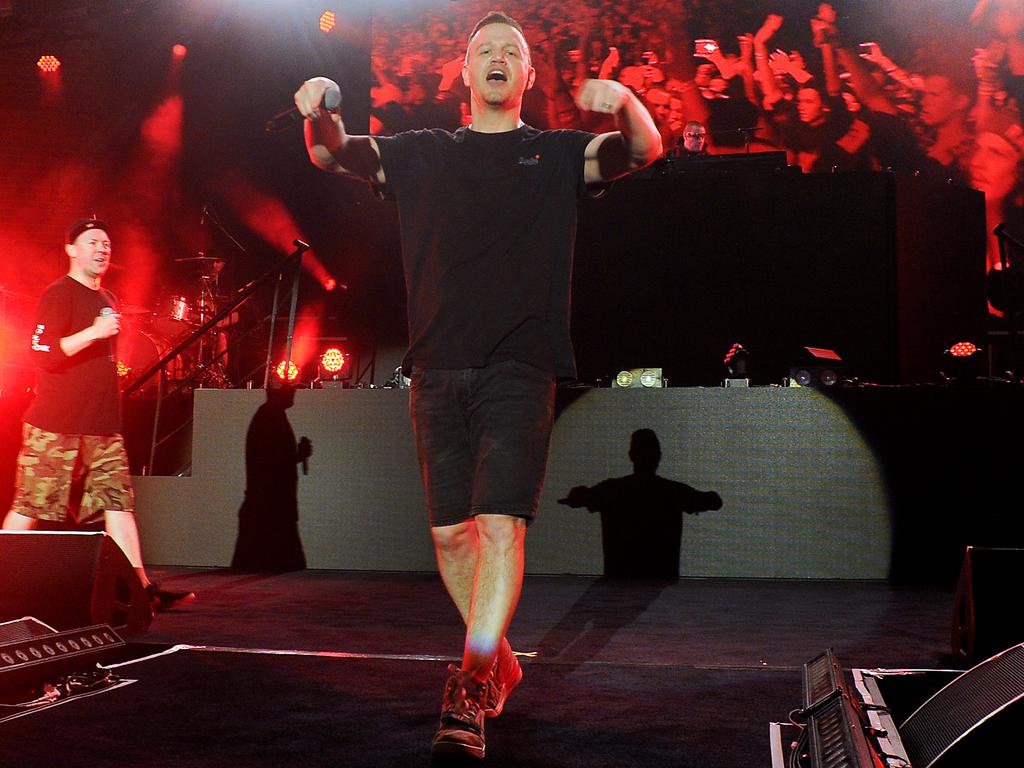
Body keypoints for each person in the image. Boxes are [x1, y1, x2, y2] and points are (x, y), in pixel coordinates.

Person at [295, 9, 661, 761]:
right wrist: (322, 108)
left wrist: (623, 101)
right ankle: (500, 659)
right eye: (484, 50)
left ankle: (467, 691)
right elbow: (333, 157)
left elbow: (643, 149)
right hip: (435, 366)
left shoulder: (557, 155)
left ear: (527, 76)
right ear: (463, 74)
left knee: (501, 526)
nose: (497, 58)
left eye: (512, 52)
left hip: (520, 366)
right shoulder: (423, 153)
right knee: (451, 534)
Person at [2, 217, 195, 614]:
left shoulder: (106, 296)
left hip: (102, 427)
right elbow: (43, 354)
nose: (102, 248)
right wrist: (92, 333)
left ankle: (141, 589)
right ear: (72, 250)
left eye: (106, 243)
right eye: (92, 242)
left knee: (118, 504)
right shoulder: (59, 294)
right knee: (30, 507)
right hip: (55, 424)